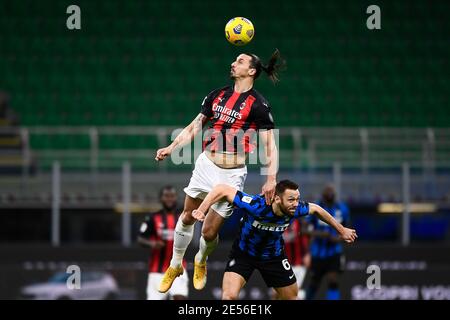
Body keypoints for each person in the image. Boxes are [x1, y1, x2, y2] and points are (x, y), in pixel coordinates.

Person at [156, 50, 285, 293]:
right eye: (235, 60)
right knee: (186, 216)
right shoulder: (217, 95)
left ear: (252, 71)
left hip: (232, 175)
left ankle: (201, 260)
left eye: (240, 61)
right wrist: (172, 147)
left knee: (208, 230)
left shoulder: (259, 104)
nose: (233, 63)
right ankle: (175, 265)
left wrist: (271, 179)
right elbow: (195, 126)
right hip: (206, 165)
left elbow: (270, 144)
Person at [191, 180, 357, 300]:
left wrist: (342, 231)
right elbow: (221, 189)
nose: (296, 204)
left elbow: (317, 209)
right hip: (243, 254)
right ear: (277, 198)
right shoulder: (257, 205)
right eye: (291, 199)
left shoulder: (296, 209)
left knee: (292, 297)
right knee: (229, 297)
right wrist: (202, 209)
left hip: (273, 257)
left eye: (297, 199)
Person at [137, 186, 188, 300]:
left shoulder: (183, 218)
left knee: (179, 297)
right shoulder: (152, 218)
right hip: (157, 270)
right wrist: (153, 244)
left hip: (178, 268)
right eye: (166, 196)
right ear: (161, 198)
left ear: (176, 198)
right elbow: (141, 239)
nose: (169, 199)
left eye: (172, 196)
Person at [304, 185, 351, 300]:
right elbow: (303, 230)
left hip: (334, 252)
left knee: (333, 280)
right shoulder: (316, 207)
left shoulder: (342, 209)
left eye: (331, 193)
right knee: (314, 283)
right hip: (317, 252)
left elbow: (347, 229)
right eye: (327, 193)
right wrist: (320, 234)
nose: (329, 195)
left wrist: (338, 238)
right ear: (323, 195)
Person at [274, 218, 310, 300]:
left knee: (294, 292)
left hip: (298, 263)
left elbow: (305, 235)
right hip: (281, 262)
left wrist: (307, 252)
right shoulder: (276, 220)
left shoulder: (300, 221)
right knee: (276, 293)